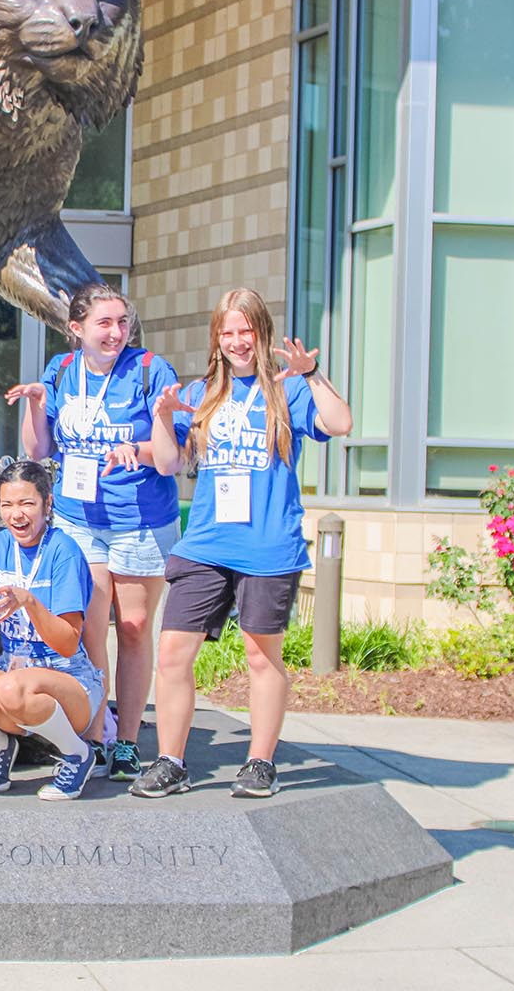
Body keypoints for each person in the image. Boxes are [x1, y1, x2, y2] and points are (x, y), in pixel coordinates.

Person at [135, 288, 353, 799]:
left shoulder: (288, 390)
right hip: (206, 544)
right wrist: (164, 417)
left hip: (268, 546)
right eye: (227, 333)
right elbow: (168, 462)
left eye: (245, 331)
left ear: (262, 333)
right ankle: (171, 761)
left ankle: (259, 762)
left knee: (261, 658)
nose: (237, 342)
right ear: (217, 338)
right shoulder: (202, 392)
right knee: (172, 654)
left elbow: (340, 423)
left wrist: (312, 375)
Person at [7, 282, 180, 782]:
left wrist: (140, 451)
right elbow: (39, 450)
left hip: (140, 521)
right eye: (104, 323)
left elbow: (170, 461)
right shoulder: (60, 372)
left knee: (132, 629)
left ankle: (127, 741)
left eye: (122, 322)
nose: (116, 332)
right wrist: (37, 404)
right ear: (76, 329)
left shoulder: (149, 370)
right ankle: (97, 730)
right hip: (80, 520)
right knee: (87, 629)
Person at [0, 460, 101, 800]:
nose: (16, 515)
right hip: (14, 678)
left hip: (69, 681)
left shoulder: (62, 550)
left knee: (12, 688)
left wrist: (29, 601)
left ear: (47, 504)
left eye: (27, 503)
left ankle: (78, 754)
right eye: (7, 505)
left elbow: (70, 643)